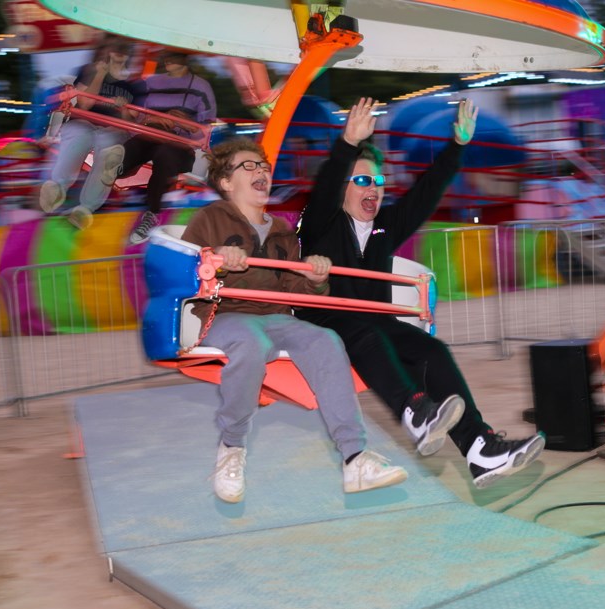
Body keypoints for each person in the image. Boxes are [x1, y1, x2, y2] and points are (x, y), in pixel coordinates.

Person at [298, 97, 545, 489]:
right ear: (343, 187)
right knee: (369, 333)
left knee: (431, 350)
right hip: (326, 320)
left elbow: (426, 191)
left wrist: (457, 147)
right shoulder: (320, 222)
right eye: (362, 180)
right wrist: (347, 144)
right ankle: (415, 412)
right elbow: (325, 188)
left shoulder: (386, 225)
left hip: (373, 320)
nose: (374, 189)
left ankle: (480, 448)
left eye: (378, 182)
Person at [181, 137, 408, 501]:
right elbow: (185, 269)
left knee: (327, 341)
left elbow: (293, 292)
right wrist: (215, 260)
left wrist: (315, 278)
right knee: (253, 343)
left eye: (264, 167)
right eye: (249, 166)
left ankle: (354, 458)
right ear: (226, 182)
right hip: (228, 313)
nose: (261, 172)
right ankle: (232, 447)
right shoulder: (208, 219)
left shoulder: (284, 231)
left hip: (276, 315)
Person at [99, 49, 218, 245]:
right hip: (149, 137)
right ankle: (117, 167)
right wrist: (145, 117)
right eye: (165, 55)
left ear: (185, 56)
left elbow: (206, 133)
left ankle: (149, 209)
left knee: (164, 151)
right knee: (149, 137)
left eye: (173, 54)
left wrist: (184, 123)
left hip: (181, 147)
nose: (167, 59)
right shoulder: (151, 83)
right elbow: (137, 118)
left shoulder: (200, 86)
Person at [38, 37, 134, 230]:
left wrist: (123, 110)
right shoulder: (87, 71)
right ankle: (57, 187)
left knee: (109, 147)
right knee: (80, 135)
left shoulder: (130, 85)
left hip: (111, 128)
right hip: (84, 122)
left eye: (119, 51)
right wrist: (99, 74)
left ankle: (86, 208)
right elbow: (85, 104)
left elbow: (130, 122)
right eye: (110, 51)